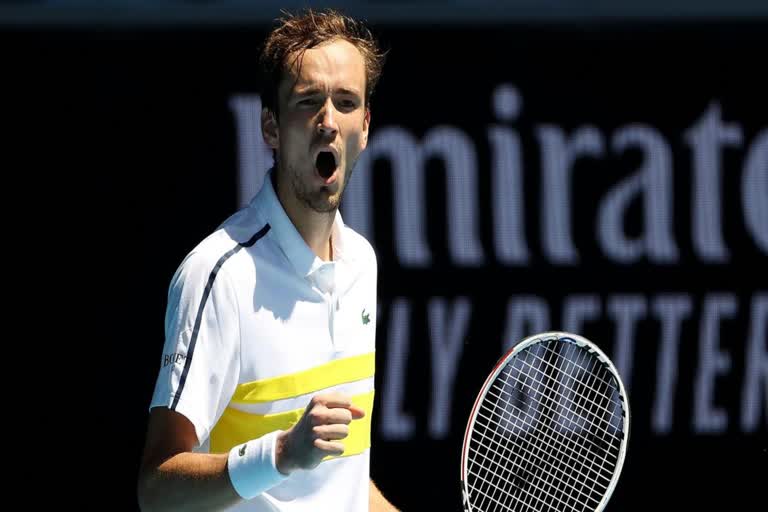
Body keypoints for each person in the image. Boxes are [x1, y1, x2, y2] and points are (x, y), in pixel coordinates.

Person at [137, 9, 398, 511]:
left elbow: (335, 481)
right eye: (307, 103)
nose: (327, 121)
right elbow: (156, 487)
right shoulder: (219, 276)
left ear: (364, 128)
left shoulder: (362, 265)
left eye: (346, 103)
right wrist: (279, 453)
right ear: (271, 127)